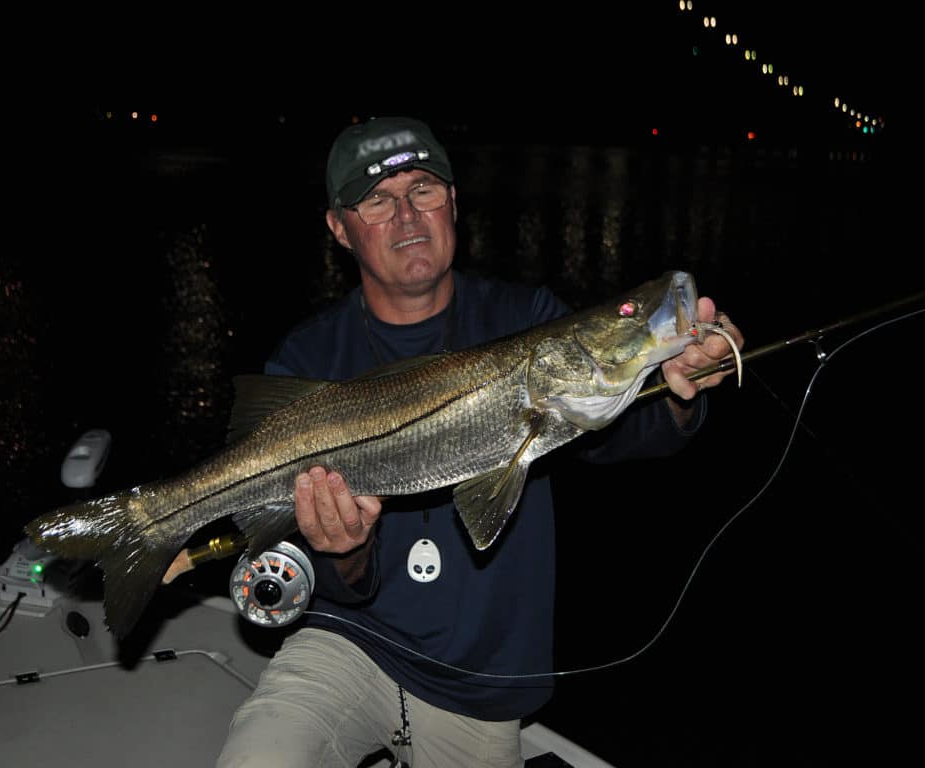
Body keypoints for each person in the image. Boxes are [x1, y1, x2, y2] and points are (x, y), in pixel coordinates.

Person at [174, 116, 743, 767]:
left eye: (424, 189)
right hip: (345, 642)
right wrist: (347, 550)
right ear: (339, 228)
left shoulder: (526, 318)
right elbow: (336, 580)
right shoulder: (308, 357)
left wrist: (680, 386)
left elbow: (623, 432)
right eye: (377, 199)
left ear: (453, 203)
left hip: (482, 680)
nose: (407, 214)